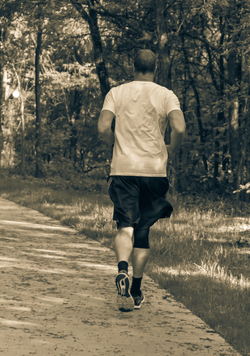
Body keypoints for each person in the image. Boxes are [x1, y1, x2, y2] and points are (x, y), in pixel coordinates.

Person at [97, 49, 186, 312]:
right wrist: (171, 146)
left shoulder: (117, 92)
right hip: (154, 170)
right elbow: (179, 127)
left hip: (123, 170)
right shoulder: (166, 94)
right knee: (143, 231)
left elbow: (103, 126)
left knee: (125, 226)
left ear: (132, 66)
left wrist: (114, 142)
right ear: (155, 68)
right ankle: (135, 289)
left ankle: (122, 270)